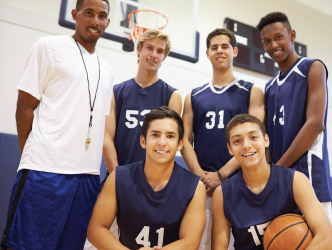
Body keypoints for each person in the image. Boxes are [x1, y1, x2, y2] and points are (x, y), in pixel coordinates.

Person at [0, 0, 114, 249]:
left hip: (86, 178)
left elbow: (99, 125)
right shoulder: (48, 46)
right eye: (89, 13)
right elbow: (24, 108)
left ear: (108, 22)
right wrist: (32, 157)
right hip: (45, 170)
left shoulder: (107, 70)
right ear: (75, 14)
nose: (95, 20)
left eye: (102, 15)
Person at [181, 28, 264, 250]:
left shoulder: (252, 91)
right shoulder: (193, 96)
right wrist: (201, 177)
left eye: (225, 46)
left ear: (235, 51)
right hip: (203, 186)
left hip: (241, 185)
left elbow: (255, 141)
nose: (220, 51)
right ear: (207, 53)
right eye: (214, 47)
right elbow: (184, 141)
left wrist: (222, 174)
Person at [212, 114, 332, 250]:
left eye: (253, 137)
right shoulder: (222, 194)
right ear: (230, 149)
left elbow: (329, 240)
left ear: (266, 140)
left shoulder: (295, 180)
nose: (246, 145)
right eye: (237, 141)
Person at [87, 107, 206, 249]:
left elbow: (190, 242)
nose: (162, 142)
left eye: (170, 136)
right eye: (155, 135)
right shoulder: (118, 177)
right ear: (143, 141)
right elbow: (96, 229)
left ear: (180, 144)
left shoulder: (195, 187)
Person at [256, 12, 332, 221]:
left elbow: (315, 124)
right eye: (267, 41)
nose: (273, 45)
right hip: (281, 182)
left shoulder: (313, 67)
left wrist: (277, 170)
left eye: (278, 37)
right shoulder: (270, 86)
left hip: (308, 177)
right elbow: (268, 140)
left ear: (292, 35)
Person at [103, 29, 182, 173]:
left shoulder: (172, 96)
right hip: (118, 174)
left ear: (164, 56)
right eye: (149, 48)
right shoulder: (115, 92)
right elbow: (106, 139)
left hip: (154, 181)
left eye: (159, 51)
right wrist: (118, 177)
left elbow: (170, 144)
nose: (154, 55)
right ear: (139, 49)